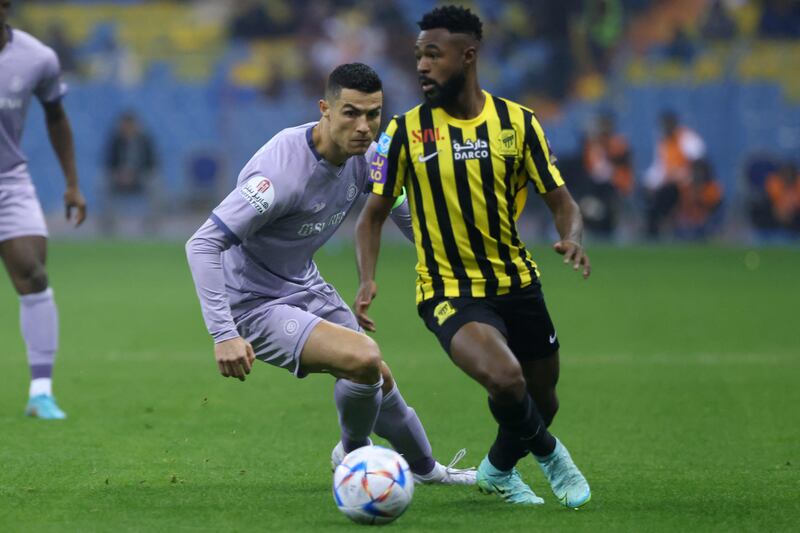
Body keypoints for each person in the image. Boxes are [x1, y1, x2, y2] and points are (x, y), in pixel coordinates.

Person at [185, 62, 475, 485]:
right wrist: (224, 334)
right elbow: (203, 243)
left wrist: (458, 263)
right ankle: (354, 455)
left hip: (302, 281)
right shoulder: (280, 176)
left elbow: (405, 216)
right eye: (351, 113)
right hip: (251, 303)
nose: (364, 126)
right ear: (325, 109)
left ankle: (428, 471)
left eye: (373, 114)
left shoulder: (369, 158)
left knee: (377, 375)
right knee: (362, 359)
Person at [355, 6, 591, 508]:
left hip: (517, 281)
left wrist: (572, 236)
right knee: (507, 379)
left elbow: (562, 201)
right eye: (418, 55)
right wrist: (367, 278)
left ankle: (498, 470)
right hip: (447, 289)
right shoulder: (405, 132)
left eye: (433, 56)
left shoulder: (517, 124)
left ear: (468, 56)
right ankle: (553, 459)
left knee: (542, 398)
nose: (421, 66)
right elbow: (372, 215)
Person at [0, 1, 87, 419]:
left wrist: (71, 183)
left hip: (8, 182)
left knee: (33, 273)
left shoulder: (37, 58)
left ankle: (41, 392)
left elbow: (56, 117)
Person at [644, 111, 706, 239]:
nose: (666, 128)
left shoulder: (687, 138)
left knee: (665, 195)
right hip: (670, 184)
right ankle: (653, 232)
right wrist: (649, 184)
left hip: (686, 185)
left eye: (668, 124)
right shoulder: (663, 143)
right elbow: (659, 169)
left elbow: (700, 164)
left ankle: (659, 230)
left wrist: (689, 179)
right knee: (651, 195)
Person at [100, 111, 160, 236]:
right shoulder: (115, 141)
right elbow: (108, 162)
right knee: (103, 183)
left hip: (140, 177)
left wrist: (135, 173)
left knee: (155, 183)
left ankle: (152, 224)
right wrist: (119, 173)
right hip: (119, 178)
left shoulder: (145, 140)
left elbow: (152, 162)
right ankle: (109, 225)